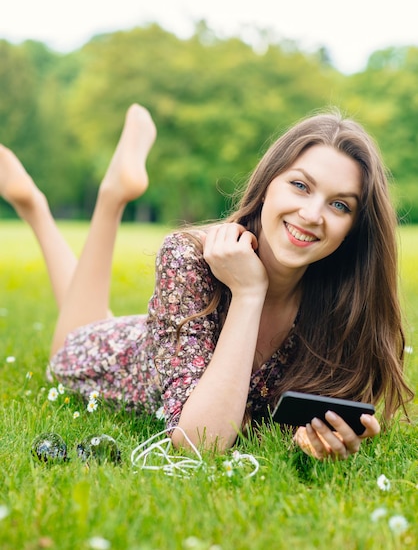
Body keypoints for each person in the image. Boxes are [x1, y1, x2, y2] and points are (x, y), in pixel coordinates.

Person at [0, 103, 413, 459]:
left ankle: (57, 202)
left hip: (165, 335)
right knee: (69, 344)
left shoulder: (345, 297)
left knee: (89, 308)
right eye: (300, 186)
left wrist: (322, 437)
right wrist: (250, 292)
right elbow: (199, 442)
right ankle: (65, 201)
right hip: (116, 354)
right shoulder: (191, 256)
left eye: (339, 204)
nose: (311, 214)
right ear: (268, 184)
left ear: (353, 229)